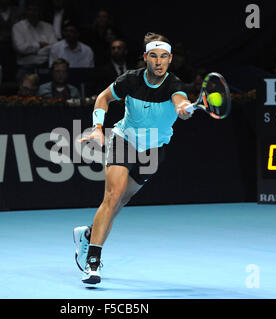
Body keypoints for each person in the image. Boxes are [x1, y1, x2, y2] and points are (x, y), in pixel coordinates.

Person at [74, 32, 193, 285]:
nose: (158, 62)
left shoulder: (175, 86)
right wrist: (97, 126)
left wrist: (183, 109)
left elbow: (180, 103)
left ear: (170, 59)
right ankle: (92, 262)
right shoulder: (131, 80)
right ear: (145, 58)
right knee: (112, 196)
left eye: (163, 57)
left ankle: (88, 234)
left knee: (120, 203)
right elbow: (103, 98)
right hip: (124, 140)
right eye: (153, 56)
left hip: (153, 149)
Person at [12, 0, 57, 83]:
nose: (33, 13)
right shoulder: (18, 27)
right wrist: (40, 45)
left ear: (39, 12)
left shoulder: (48, 27)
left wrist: (36, 51)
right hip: (27, 64)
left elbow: (54, 46)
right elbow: (21, 48)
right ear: (26, 11)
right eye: (30, 10)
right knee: (23, 83)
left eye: (35, 10)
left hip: (46, 64)